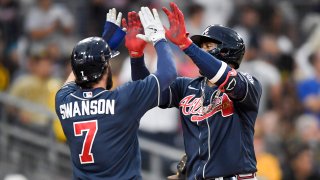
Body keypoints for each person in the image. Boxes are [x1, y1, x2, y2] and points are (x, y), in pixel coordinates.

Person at [127, 3, 262, 179]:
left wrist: (185, 44)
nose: (200, 50)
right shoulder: (187, 86)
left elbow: (224, 76)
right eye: (201, 47)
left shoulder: (249, 83)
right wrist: (136, 57)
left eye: (208, 46)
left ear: (227, 50)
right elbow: (148, 90)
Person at [55, 7, 177, 179]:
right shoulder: (123, 99)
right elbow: (169, 73)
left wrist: (101, 47)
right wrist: (159, 38)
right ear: (106, 67)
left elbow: (75, 74)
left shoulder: (63, 101)